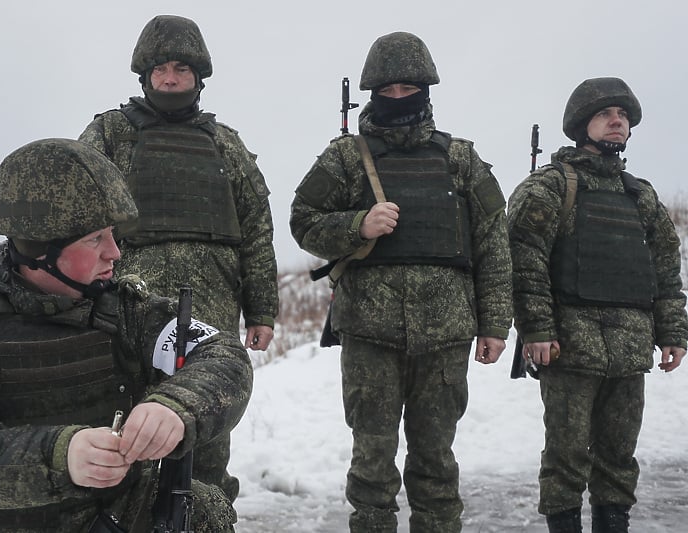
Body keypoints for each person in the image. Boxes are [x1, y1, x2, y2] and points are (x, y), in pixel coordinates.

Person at [0, 138, 253, 533]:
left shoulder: (126, 309)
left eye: (112, 234)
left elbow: (221, 355)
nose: (114, 252)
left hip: (114, 513)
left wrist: (176, 406)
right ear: (38, 250)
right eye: (94, 239)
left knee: (204, 511)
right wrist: (59, 457)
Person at [290, 32, 513, 533]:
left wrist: (495, 323)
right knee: (372, 467)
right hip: (370, 333)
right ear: (372, 93)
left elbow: (494, 244)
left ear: (426, 90)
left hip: (446, 335)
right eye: (386, 90)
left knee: (436, 466)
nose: (397, 98)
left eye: (407, 88)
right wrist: (356, 227)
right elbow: (303, 220)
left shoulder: (461, 159)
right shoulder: (346, 158)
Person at [78, 14, 278, 502]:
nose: (170, 79)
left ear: (198, 77)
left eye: (181, 70)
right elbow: (76, 219)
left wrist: (263, 309)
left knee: (205, 445)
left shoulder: (225, 145)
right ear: (145, 75)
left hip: (209, 315)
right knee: (120, 435)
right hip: (121, 313)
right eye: (161, 69)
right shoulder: (107, 136)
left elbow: (255, 230)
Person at [507, 77, 688, 533]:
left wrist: (673, 333)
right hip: (569, 348)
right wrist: (536, 329)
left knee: (618, 461)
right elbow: (523, 261)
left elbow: (666, 270)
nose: (617, 121)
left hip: (629, 351)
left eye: (623, 115)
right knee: (565, 460)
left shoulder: (639, 195)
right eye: (606, 114)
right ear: (581, 124)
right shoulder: (548, 187)